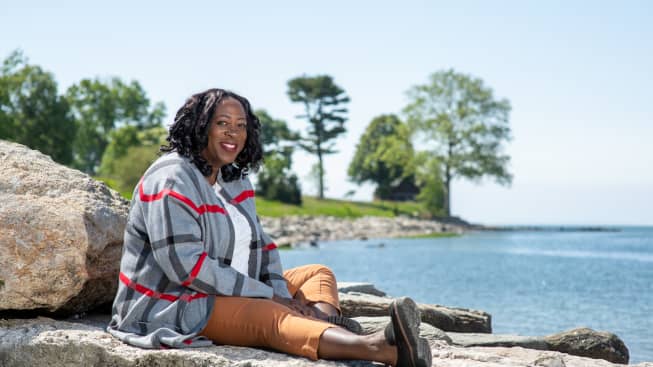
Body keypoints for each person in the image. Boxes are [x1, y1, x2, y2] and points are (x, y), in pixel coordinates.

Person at [107, 88, 431, 367]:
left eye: (240, 126)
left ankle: (315, 328)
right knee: (267, 316)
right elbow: (187, 268)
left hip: (235, 285)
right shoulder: (171, 179)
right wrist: (268, 297)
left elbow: (261, 245)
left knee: (317, 274)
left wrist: (276, 290)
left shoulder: (234, 178)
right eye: (222, 124)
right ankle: (380, 348)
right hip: (172, 301)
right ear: (200, 127)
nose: (233, 133)